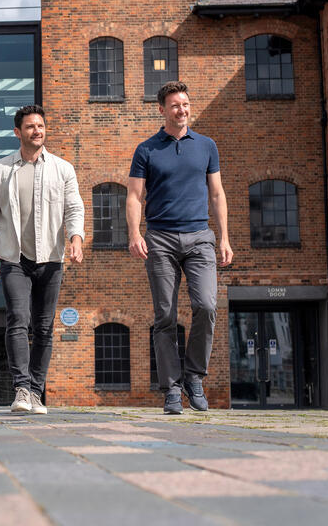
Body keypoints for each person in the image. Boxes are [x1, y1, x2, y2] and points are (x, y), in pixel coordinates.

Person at [126, 81, 233, 414]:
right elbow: (133, 196)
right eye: (174, 105)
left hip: (200, 236)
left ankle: (194, 377)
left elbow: (216, 194)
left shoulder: (206, 146)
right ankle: (172, 389)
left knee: (207, 306)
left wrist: (225, 237)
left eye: (185, 104)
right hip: (160, 238)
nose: (181, 110)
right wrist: (134, 233)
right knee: (165, 316)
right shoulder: (146, 150)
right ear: (162, 109)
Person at [0, 104, 84, 414]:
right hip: (13, 257)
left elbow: (74, 208)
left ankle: (37, 392)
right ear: (17, 132)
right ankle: (22, 389)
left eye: (40, 125)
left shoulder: (63, 168)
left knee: (43, 327)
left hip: (51, 258)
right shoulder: (0, 170)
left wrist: (76, 238)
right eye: (29, 127)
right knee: (18, 320)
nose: (36, 130)